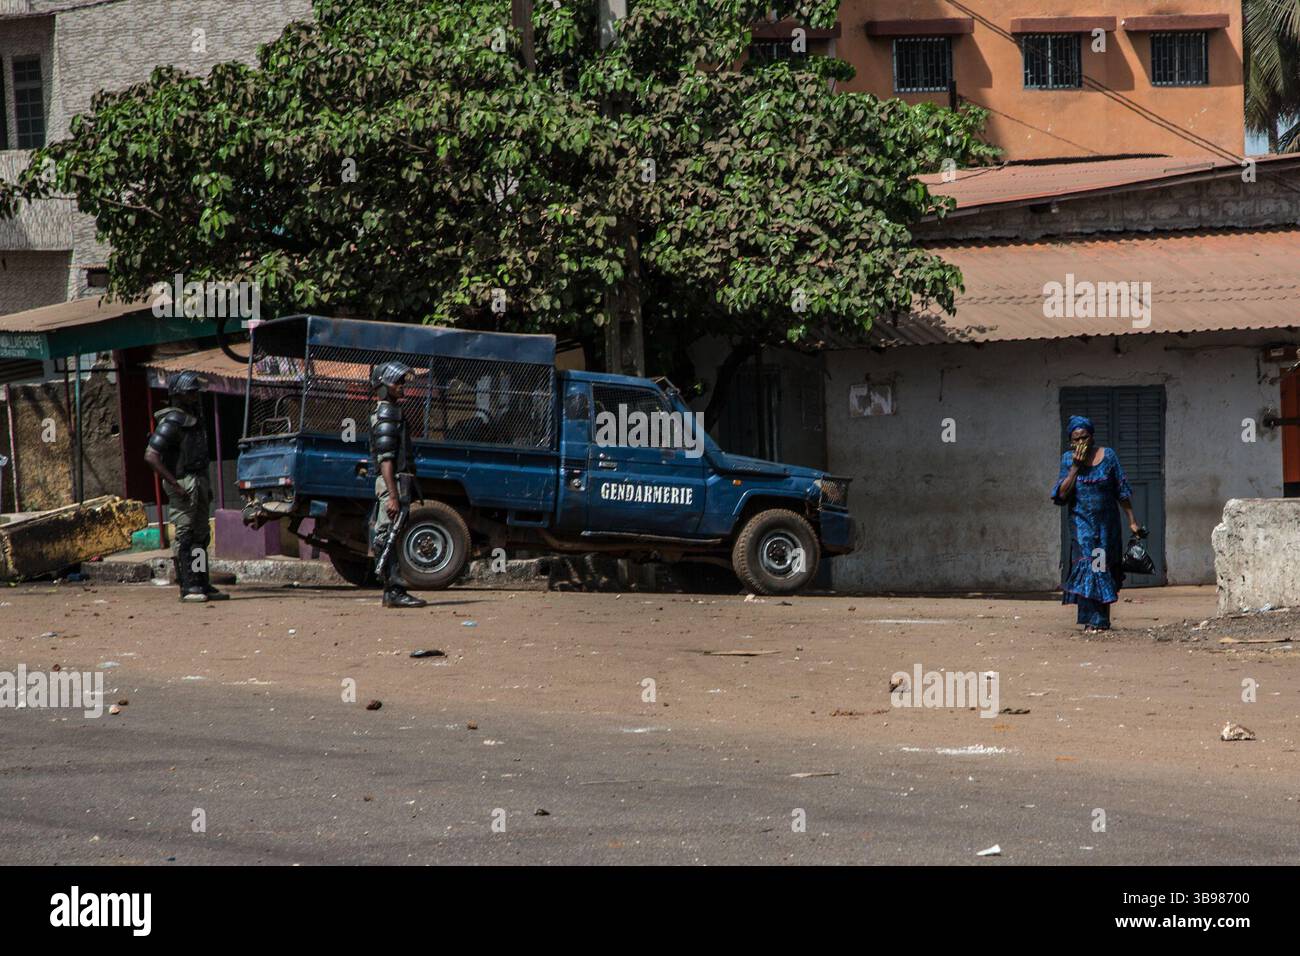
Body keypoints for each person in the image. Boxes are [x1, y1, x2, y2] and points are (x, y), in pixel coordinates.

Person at [144, 371, 228, 603]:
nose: (194, 396)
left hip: (198, 480)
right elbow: (151, 456)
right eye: (190, 392)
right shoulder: (172, 422)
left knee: (201, 536)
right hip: (183, 482)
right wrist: (174, 484)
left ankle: (202, 583)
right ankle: (189, 586)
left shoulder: (192, 419)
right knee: (186, 536)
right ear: (178, 395)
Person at [1051, 415, 1141, 632]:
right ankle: (1091, 620)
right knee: (1089, 564)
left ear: (1091, 437)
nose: (1080, 442)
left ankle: (1100, 620)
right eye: (1075, 439)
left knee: (1100, 567)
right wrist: (1075, 467)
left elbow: (1121, 490)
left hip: (1106, 525)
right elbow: (1061, 495)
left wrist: (1132, 521)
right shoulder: (1067, 460)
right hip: (1081, 524)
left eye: (1084, 437)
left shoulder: (1108, 456)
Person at [369, 361, 427, 609]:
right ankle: (394, 591)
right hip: (391, 484)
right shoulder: (385, 416)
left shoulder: (392, 413)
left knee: (392, 533)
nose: (402, 386)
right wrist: (392, 496)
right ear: (383, 386)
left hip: (397, 483)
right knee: (387, 535)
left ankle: (391, 592)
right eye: (397, 382)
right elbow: (386, 461)